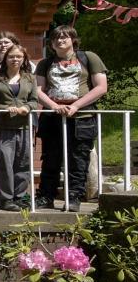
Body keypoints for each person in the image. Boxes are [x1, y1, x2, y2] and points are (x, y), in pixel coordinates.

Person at [34, 25, 108, 211]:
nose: (60, 40)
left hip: (82, 116)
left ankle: (74, 196)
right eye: (56, 38)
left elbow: (101, 87)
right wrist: (54, 106)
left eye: (65, 37)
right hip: (53, 116)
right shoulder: (45, 63)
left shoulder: (89, 57)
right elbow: (38, 90)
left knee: (78, 158)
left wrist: (75, 106)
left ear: (73, 39)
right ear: (51, 43)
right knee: (50, 157)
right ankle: (46, 196)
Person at [0, 44, 39, 211]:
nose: (15, 59)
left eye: (19, 56)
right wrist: (5, 108)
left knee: (23, 163)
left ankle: (19, 197)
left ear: (24, 59)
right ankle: (6, 199)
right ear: (5, 59)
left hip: (25, 126)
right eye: (11, 56)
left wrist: (27, 108)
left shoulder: (30, 78)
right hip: (4, 126)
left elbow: (34, 100)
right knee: (5, 162)